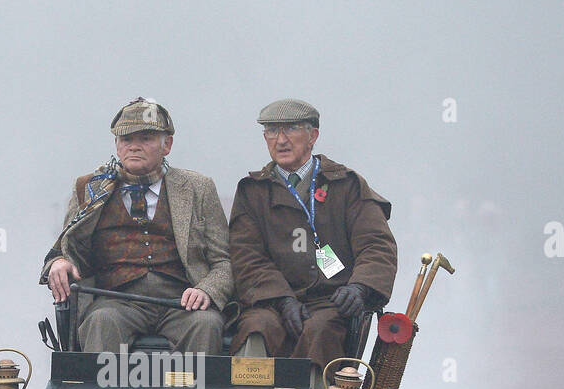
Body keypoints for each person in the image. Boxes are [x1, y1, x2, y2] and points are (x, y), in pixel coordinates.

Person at [40, 98, 232, 354]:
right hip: (116, 302)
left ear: (168, 144)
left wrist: (206, 290)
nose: (134, 147)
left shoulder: (198, 188)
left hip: (182, 302)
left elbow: (223, 262)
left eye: (146, 139)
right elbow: (66, 248)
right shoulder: (90, 188)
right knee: (101, 322)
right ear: (117, 146)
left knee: (206, 323)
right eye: (126, 140)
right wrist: (60, 262)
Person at [229, 99, 397, 370]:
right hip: (272, 302)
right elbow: (246, 256)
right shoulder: (253, 191)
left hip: (330, 302)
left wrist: (359, 287)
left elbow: (376, 246)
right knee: (256, 330)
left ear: (313, 136)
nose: (280, 140)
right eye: (272, 131)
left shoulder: (346, 185)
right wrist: (283, 300)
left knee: (321, 330)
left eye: (291, 129)